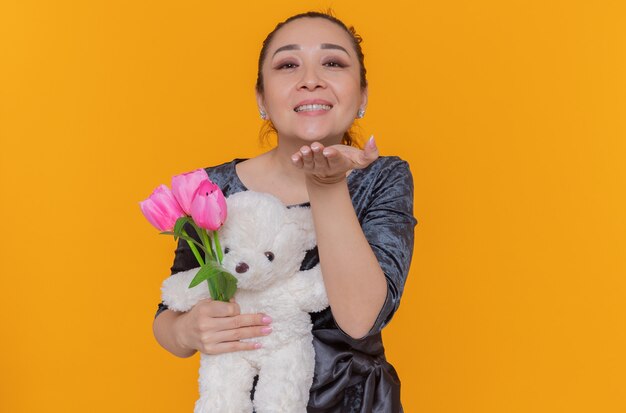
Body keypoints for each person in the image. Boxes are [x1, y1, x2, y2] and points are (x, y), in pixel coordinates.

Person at [152, 11, 417, 412]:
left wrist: (326, 185)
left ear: (362, 95)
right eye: (288, 65)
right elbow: (168, 315)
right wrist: (187, 330)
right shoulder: (211, 187)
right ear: (261, 98)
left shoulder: (384, 178)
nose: (310, 79)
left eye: (333, 63)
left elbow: (361, 319)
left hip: (356, 402)